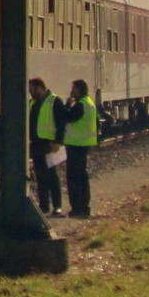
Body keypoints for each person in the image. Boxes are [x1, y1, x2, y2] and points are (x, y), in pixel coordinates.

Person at [28, 77, 67, 217]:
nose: (30, 92)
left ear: (39, 87)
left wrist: (58, 141)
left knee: (52, 176)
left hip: (50, 145)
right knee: (40, 176)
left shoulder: (54, 101)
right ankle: (43, 206)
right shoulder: (32, 103)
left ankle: (57, 207)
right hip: (37, 144)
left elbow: (61, 123)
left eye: (32, 89)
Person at [63, 78, 99, 217]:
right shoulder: (90, 103)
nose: (71, 92)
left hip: (76, 144)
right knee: (82, 176)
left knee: (73, 178)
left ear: (79, 90)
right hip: (84, 144)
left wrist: (67, 105)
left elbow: (68, 117)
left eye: (73, 89)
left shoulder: (80, 105)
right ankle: (84, 207)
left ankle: (77, 208)